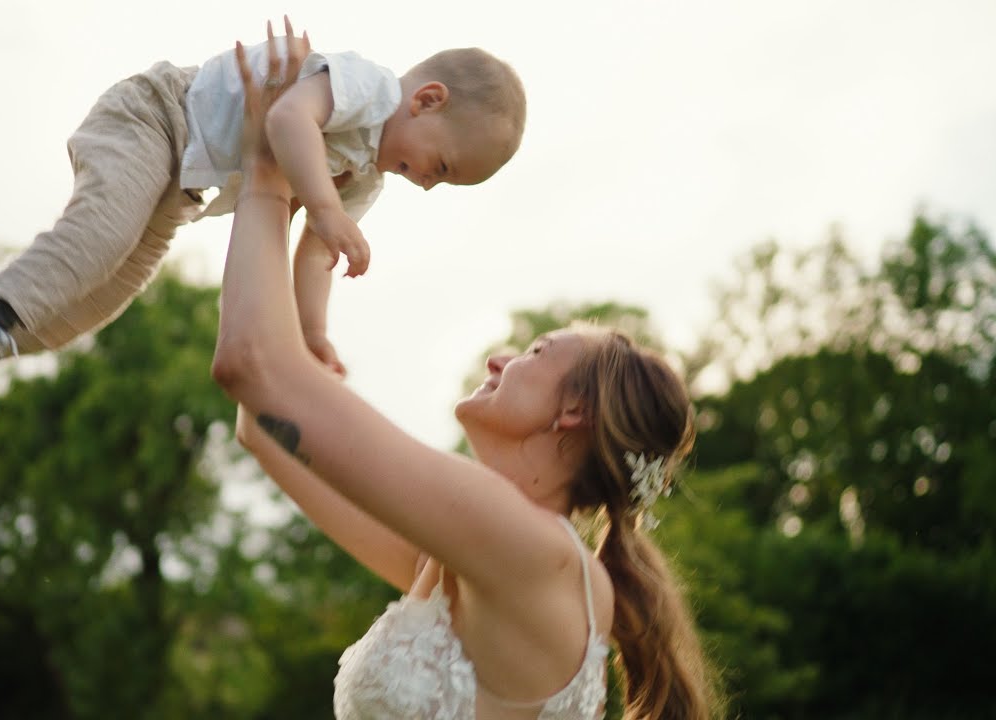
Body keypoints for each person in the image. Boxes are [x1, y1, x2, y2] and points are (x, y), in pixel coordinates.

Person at [212, 24, 716, 720]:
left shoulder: (531, 549)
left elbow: (252, 371)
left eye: (536, 354)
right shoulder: (474, 556)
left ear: (573, 414)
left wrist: (265, 168)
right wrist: (300, 262)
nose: (501, 358)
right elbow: (264, 425)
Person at [0, 20, 527, 431]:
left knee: (106, 295)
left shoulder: (366, 176)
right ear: (427, 100)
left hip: (182, 186)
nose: (426, 182)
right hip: (157, 118)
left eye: (442, 183)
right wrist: (325, 207)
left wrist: (312, 332)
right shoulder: (367, 89)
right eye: (440, 166)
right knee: (99, 239)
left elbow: (315, 256)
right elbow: (288, 120)